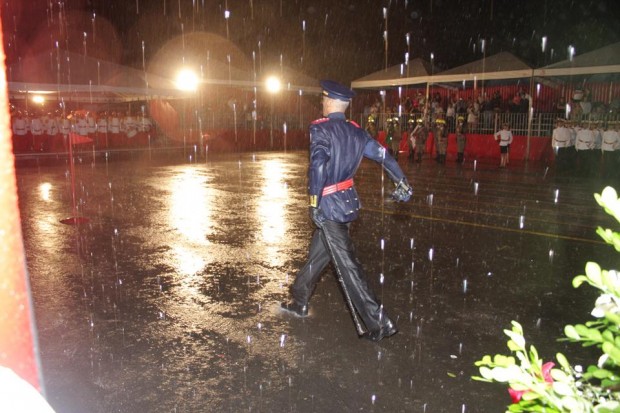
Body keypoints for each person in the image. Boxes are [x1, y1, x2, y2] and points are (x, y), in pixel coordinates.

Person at [281, 80, 413, 342]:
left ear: (330, 102)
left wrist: (314, 202)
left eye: (324, 99)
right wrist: (402, 181)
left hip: (329, 206)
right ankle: (299, 299)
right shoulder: (356, 131)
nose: (322, 102)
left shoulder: (320, 129)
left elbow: (318, 165)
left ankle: (379, 323)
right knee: (318, 256)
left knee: (348, 266)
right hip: (347, 203)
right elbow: (384, 156)